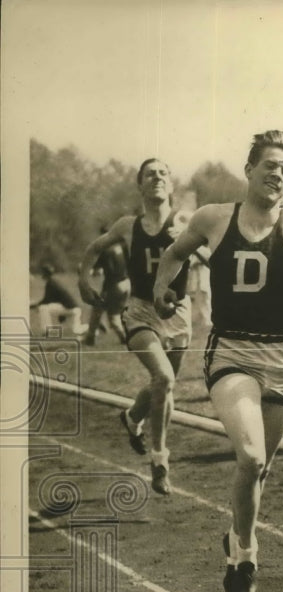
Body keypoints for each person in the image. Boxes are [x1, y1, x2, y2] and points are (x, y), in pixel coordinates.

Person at [152, 130, 283, 592]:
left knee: (259, 469)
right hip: (233, 353)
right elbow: (175, 253)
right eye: (271, 166)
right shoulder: (215, 218)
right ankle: (245, 558)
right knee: (252, 458)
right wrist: (162, 288)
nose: (279, 175)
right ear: (250, 170)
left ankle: (236, 535)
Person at [78, 158, 197, 495]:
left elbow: (214, 251)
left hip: (178, 310)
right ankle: (160, 462)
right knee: (164, 379)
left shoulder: (186, 219)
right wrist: (83, 280)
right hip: (142, 311)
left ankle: (131, 418)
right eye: (150, 174)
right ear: (140, 186)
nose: (157, 177)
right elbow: (93, 248)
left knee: (163, 386)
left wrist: (190, 241)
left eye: (163, 173)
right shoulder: (129, 225)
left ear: (171, 186)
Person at [81, 230, 129, 345]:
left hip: (114, 285)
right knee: (104, 311)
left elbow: (101, 270)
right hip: (126, 282)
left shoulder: (105, 250)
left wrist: (89, 271)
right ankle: (91, 337)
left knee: (112, 317)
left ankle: (126, 339)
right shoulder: (121, 247)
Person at [34, 264, 88, 336]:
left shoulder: (51, 283)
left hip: (70, 309)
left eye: (42, 273)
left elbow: (46, 301)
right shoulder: (54, 282)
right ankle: (92, 327)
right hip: (75, 309)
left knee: (43, 308)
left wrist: (34, 305)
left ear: (45, 274)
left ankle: (47, 331)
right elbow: (56, 300)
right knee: (76, 330)